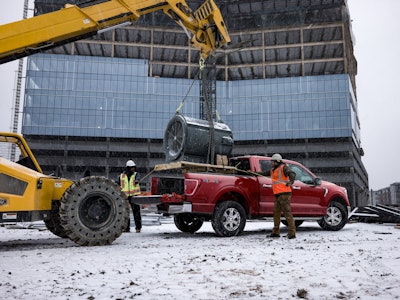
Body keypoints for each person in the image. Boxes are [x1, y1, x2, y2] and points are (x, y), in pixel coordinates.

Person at [269, 153, 297, 239]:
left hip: (284, 194)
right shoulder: (273, 170)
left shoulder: (284, 167)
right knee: (276, 213)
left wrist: (291, 181)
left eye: (273, 161)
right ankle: (276, 232)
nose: (271, 163)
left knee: (287, 213)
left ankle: (292, 233)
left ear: (277, 161)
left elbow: (292, 173)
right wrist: (254, 173)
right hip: (278, 194)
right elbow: (264, 173)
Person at [117, 160, 142, 233]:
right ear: (128, 168)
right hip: (125, 197)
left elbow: (138, 178)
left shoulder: (136, 174)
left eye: (134, 167)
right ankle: (126, 228)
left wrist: (137, 181)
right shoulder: (121, 176)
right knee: (125, 213)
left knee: (136, 212)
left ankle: (138, 228)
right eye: (131, 168)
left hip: (134, 196)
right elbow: (117, 183)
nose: (133, 169)